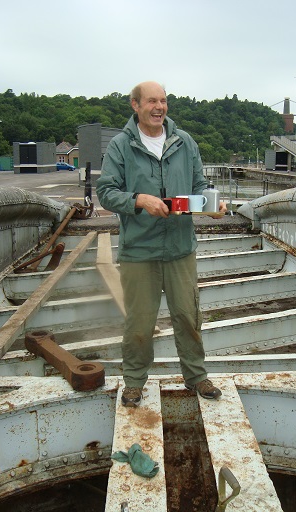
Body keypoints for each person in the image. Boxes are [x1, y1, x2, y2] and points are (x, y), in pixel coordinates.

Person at [96, 81, 227, 407]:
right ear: (135, 105)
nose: (159, 107)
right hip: (139, 251)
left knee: (187, 315)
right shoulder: (120, 146)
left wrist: (212, 206)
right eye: (151, 101)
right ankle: (134, 382)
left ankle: (196, 376)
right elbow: (106, 192)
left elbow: (200, 185)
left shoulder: (185, 142)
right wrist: (139, 200)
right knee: (140, 323)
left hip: (181, 248)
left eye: (164, 101)